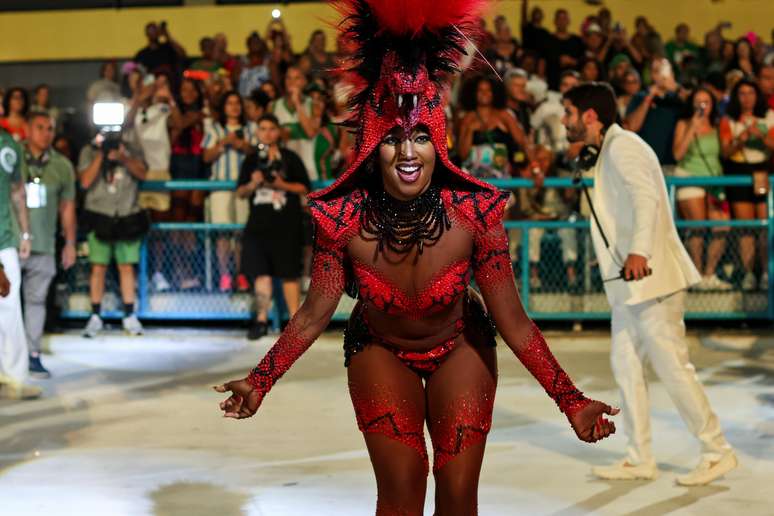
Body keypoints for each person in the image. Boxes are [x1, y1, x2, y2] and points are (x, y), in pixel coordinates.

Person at [215, 3, 617, 514]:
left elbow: (513, 320)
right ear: (370, 148)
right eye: (394, 138)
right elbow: (314, 313)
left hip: (460, 345)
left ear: (440, 142)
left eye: (421, 136)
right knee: (402, 492)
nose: (408, 152)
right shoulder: (341, 221)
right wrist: (261, 380)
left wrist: (571, 401)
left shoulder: (474, 214)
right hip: (379, 347)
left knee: (456, 497)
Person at [562, 82, 737, 485]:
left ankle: (717, 450)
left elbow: (647, 200)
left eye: (569, 113)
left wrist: (640, 250)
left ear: (590, 116)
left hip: (650, 280)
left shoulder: (624, 147)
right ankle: (639, 456)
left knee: (673, 367)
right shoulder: (607, 150)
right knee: (625, 367)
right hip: (629, 285)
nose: (564, 121)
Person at [237, 114, 311, 339]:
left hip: (286, 224)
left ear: (278, 132)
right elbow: (240, 192)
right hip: (259, 224)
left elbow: (304, 187)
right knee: (261, 273)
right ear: (257, 131)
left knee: (289, 274)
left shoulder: (290, 157)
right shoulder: (251, 160)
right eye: (263, 128)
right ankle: (261, 320)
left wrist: (281, 184)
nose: (267, 133)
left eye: (271, 129)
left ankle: (293, 322)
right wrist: (254, 182)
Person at [20, 112, 77, 378]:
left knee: (37, 301)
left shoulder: (62, 165)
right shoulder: (11, 158)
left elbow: (67, 207)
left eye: (50, 129)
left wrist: (70, 243)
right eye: (40, 127)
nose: (46, 133)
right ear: (27, 129)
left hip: (44, 244)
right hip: (10, 243)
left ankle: (33, 355)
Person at [78, 136, 147, 338]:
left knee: (126, 267)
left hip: (127, 215)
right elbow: (84, 181)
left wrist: (123, 157)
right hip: (99, 215)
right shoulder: (88, 150)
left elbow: (143, 174)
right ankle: (96, 316)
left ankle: (129, 315)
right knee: (97, 267)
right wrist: (101, 155)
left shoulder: (132, 147)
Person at [672, 89, 732, 291]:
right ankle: (695, 275)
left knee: (721, 226)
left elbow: (725, 152)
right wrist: (692, 128)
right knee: (697, 228)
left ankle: (709, 274)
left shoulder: (718, 124)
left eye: (706, 102)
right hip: (689, 177)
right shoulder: (683, 123)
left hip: (714, 181)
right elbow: (678, 154)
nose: (702, 106)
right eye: (698, 102)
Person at [719, 79, 774, 291]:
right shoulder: (728, 120)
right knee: (746, 228)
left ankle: (767, 273)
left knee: (763, 226)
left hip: (762, 171)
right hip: (738, 172)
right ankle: (750, 274)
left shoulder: (769, 117)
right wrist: (741, 138)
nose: (747, 97)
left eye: (751, 92)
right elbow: (725, 152)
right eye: (742, 93)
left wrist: (759, 135)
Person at [202, 91, 257, 293]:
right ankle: (225, 275)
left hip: (244, 187)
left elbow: (256, 151)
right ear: (223, 107)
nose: (234, 107)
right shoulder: (215, 129)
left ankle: (241, 274)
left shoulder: (250, 128)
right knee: (223, 234)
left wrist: (241, 145)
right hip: (220, 188)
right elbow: (206, 157)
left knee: (242, 233)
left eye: (237, 103)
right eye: (229, 103)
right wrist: (223, 143)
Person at [0, 127, 40, 400]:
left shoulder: (9, 145)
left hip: (3, 240)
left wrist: (25, 232)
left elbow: (17, 192)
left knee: (10, 308)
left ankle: (14, 378)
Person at [458, 74, 530, 179]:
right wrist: (470, 130)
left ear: (495, 93)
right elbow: (462, 155)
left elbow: (522, 142)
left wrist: (532, 167)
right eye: (480, 90)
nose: (484, 93)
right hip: (475, 178)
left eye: (488, 90)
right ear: (474, 93)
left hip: (501, 177)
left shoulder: (505, 115)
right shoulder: (467, 119)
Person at [625, 58, 684, 171]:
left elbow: (696, 106)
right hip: (643, 163)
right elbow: (631, 127)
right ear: (652, 75)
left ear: (671, 74)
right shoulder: (640, 97)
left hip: (670, 165)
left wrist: (676, 88)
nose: (662, 76)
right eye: (657, 71)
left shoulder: (679, 99)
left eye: (665, 70)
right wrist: (650, 97)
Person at [272, 66, 319, 181]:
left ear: (304, 82)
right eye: (288, 78)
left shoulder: (314, 105)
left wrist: (297, 103)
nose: (291, 82)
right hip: (284, 166)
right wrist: (281, 133)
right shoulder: (273, 106)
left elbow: (311, 133)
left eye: (297, 78)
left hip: (308, 166)